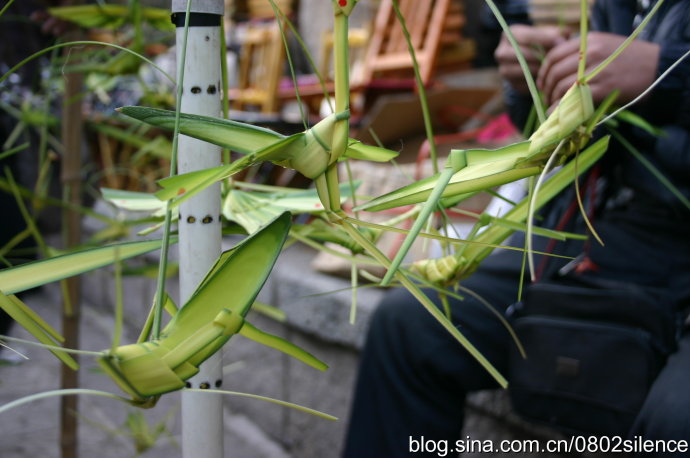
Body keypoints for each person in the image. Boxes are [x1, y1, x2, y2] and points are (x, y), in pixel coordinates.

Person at [342, 0, 690, 456]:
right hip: (607, 233)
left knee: (675, 423)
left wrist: (667, 74)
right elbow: (562, 142)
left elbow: (658, 84)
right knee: (410, 324)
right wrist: (532, 84)